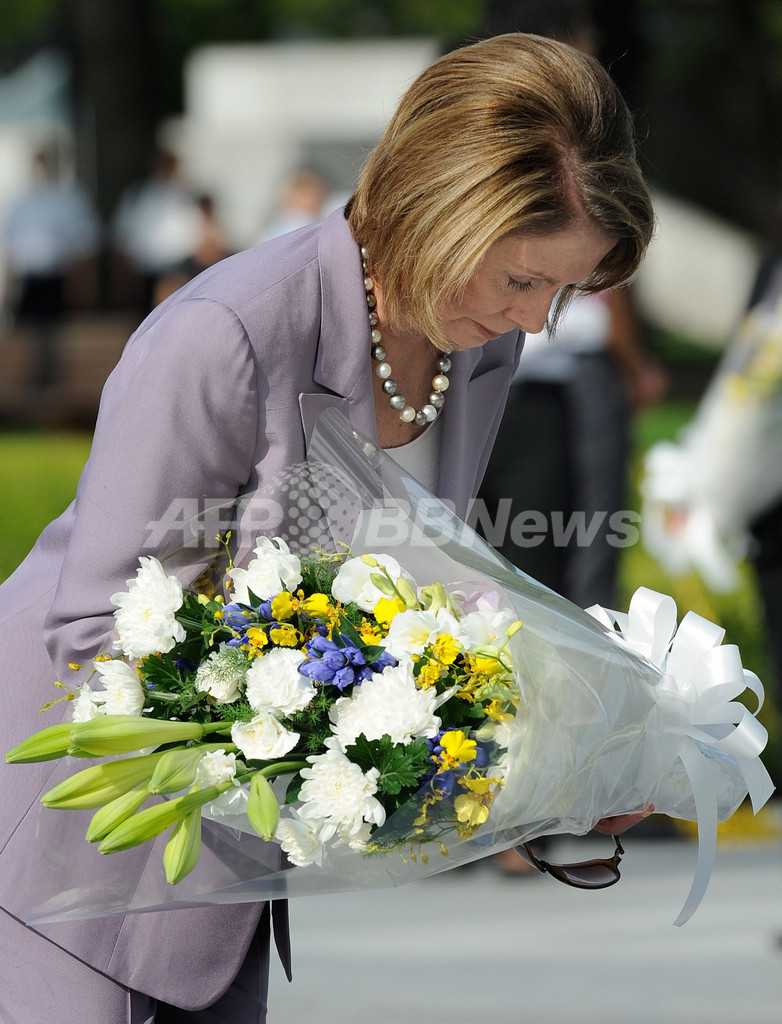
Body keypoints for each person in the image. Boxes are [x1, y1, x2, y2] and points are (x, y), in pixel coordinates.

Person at [0, 33, 654, 1023]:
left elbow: (420, 591)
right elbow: (96, 632)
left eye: (561, 292)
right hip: (63, 843)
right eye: (523, 281)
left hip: (224, 874)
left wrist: (572, 751)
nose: (533, 320)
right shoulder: (224, 333)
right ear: (436, 211)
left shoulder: (476, 343)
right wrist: (329, 732)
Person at [1, 144, 101, 388]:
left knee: (57, 333)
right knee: (27, 333)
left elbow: (85, 242)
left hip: (59, 277)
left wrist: (81, 282)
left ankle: (56, 382)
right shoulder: (22, 203)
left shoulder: (69, 199)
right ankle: (29, 382)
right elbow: (12, 248)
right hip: (30, 278)